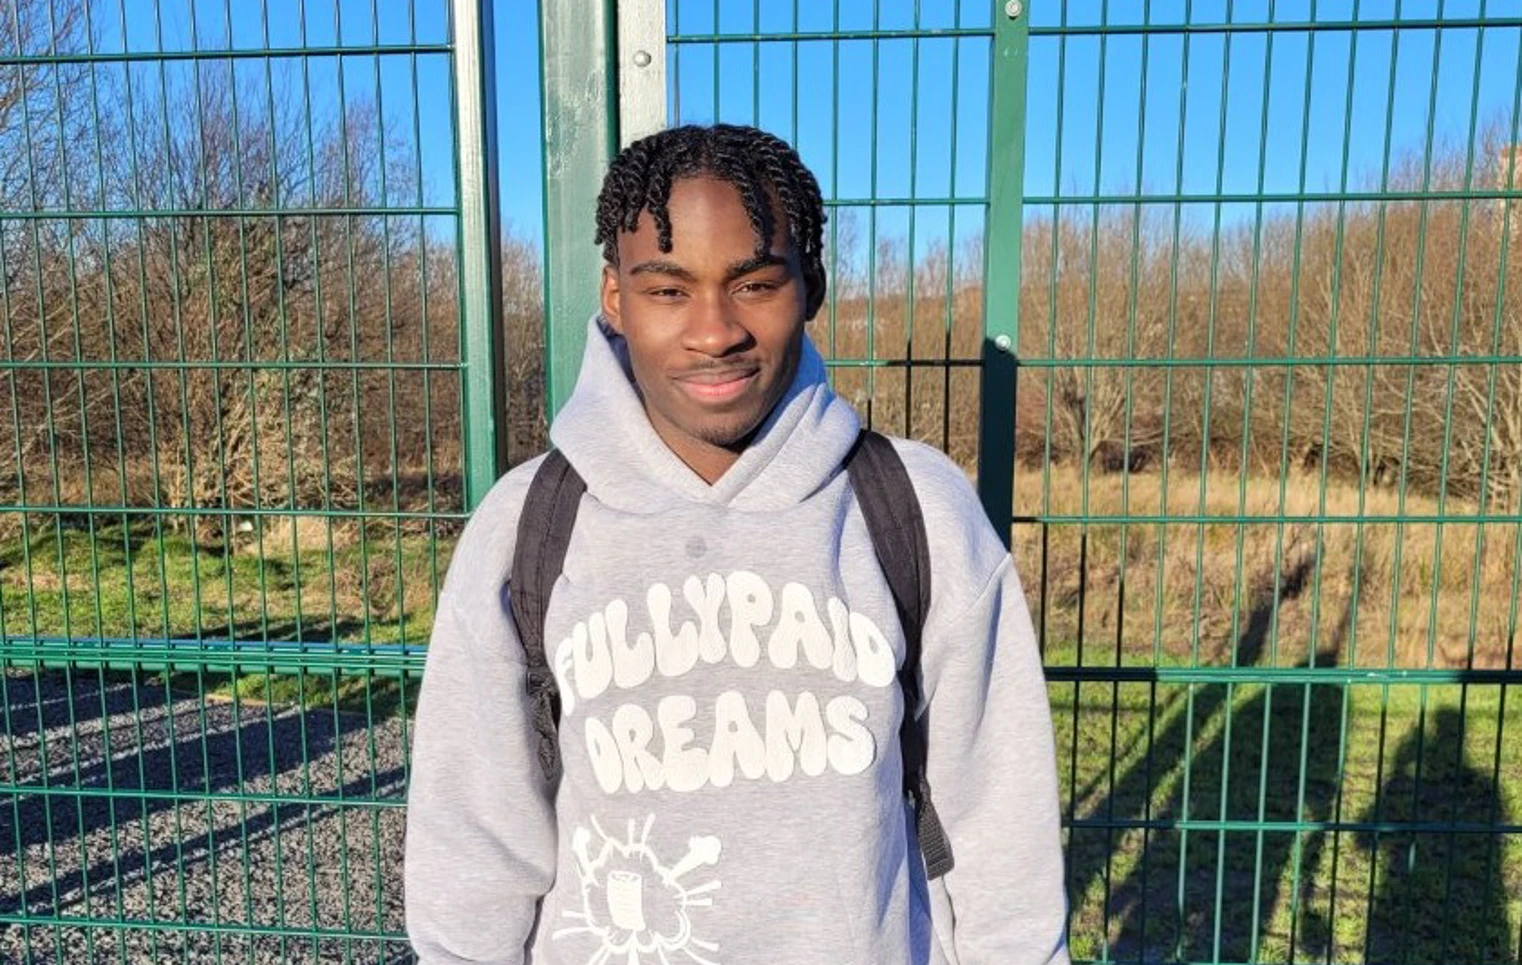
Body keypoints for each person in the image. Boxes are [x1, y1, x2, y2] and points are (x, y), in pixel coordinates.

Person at [403, 123, 1069, 965]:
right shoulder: (526, 527)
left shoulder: (914, 511)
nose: (714, 331)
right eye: (668, 289)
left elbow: (994, 820)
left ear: (810, 285)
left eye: (753, 284)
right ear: (615, 296)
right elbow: (476, 844)